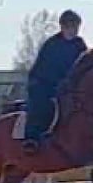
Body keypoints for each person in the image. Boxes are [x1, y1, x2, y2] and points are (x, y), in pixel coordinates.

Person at [22, 9, 87, 154]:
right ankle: (31, 137)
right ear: (63, 27)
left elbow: (85, 65)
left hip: (69, 86)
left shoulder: (79, 44)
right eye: (71, 27)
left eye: (77, 27)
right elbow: (46, 69)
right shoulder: (52, 44)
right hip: (43, 83)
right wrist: (61, 83)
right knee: (42, 105)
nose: (75, 31)